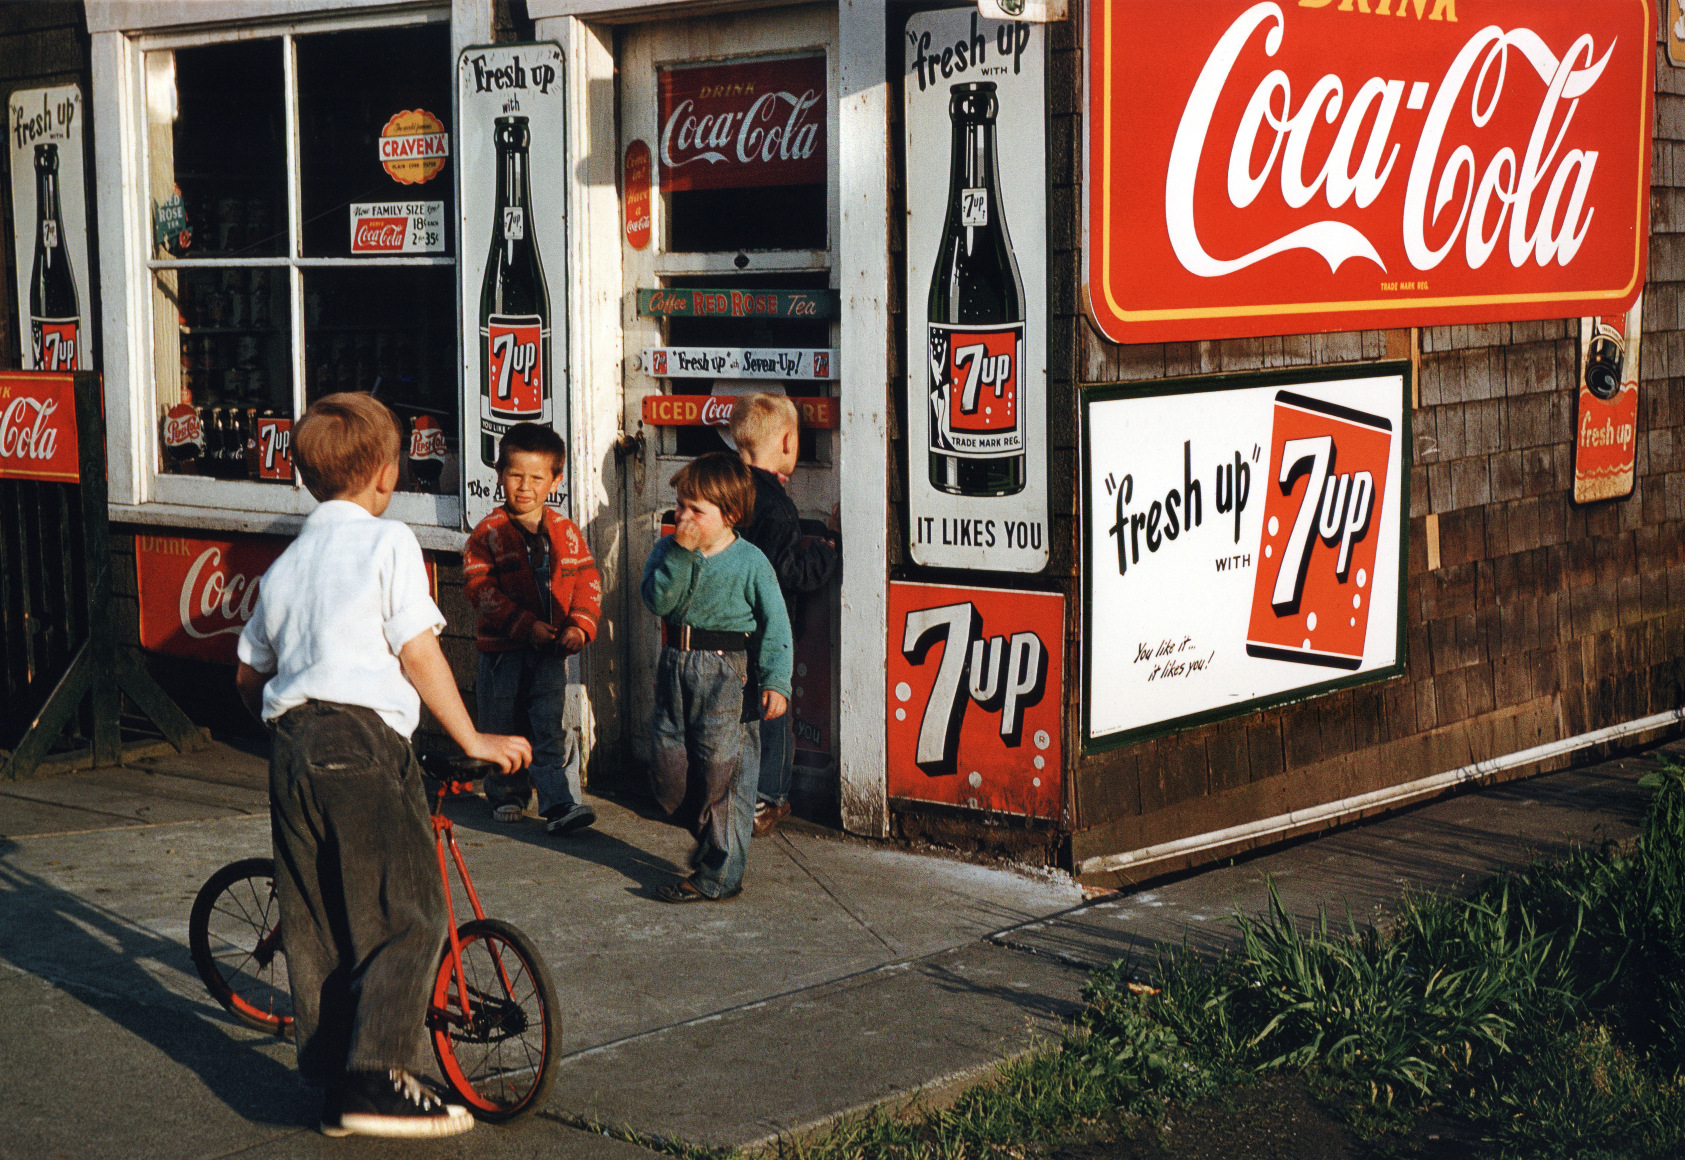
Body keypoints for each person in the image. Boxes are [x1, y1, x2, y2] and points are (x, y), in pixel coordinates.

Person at [234, 392, 531, 1140]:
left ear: (306, 479)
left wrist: (288, 729)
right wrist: (471, 738)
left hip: (292, 747)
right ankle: (378, 1078)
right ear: (385, 474)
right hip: (361, 744)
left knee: (320, 920)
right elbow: (418, 650)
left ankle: (337, 1082)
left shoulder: (286, 566)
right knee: (411, 912)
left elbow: (246, 677)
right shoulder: (387, 542)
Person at [641, 452, 793, 902]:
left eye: (697, 510)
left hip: (728, 673)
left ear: (729, 515)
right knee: (671, 774)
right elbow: (658, 601)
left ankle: (720, 874)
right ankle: (710, 840)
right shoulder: (668, 551)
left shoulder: (750, 562)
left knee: (725, 776)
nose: (684, 517)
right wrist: (680, 555)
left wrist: (776, 680)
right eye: (681, 505)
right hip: (676, 666)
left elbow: (776, 624)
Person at [463, 423, 602, 835]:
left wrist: (579, 625)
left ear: (555, 481)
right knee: (501, 721)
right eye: (515, 475)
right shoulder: (487, 533)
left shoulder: (566, 532)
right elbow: (478, 588)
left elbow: (588, 582)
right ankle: (506, 794)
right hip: (503, 652)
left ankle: (559, 802)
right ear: (500, 474)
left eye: (537, 477)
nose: (524, 486)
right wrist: (524, 626)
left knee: (548, 724)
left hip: (549, 655)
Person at [728, 394, 841, 837]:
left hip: (727, 627)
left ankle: (731, 790)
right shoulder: (775, 504)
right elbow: (787, 572)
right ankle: (767, 798)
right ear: (790, 442)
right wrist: (829, 550)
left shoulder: (726, 490)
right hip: (766, 632)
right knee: (773, 709)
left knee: (736, 713)